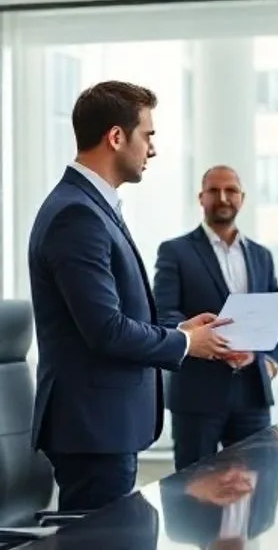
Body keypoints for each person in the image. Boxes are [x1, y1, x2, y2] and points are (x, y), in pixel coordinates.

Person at [27, 80, 231, 512]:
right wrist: (186, 343)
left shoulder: (90, 206)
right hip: (93, 430)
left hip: (103, 427)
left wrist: (177, 330)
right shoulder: (76, 214)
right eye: (148, 135)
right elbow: (105, 330)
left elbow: (110, 316)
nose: (152, 149)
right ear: (116, 137)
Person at [153, 165, 278, 471]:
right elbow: (164, 313)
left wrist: (270, 359)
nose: (223, 198)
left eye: (231, 191)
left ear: (242, 198)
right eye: (214, 191)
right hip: (197, 391)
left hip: (252, 392)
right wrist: (205, 340)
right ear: (201, 198)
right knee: (193, 490)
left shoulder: (261, 255)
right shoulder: (175, 251)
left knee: (256, 492)